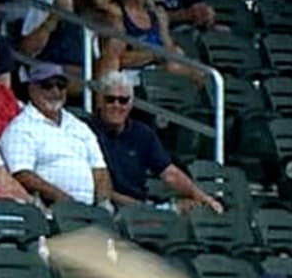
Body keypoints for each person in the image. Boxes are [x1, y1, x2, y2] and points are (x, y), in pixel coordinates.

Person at [87, 73, 217, 209]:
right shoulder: (86, 131)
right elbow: (93, 185)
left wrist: (203, 198)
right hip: (103, 208)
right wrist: (140, 207)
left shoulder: (142, 133)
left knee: (194, 207)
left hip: (140, 207)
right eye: (110, 99)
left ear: (130, 104)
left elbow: (170, 174)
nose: (116, 105)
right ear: (100, 101)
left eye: (123, 100)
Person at [0, 61, 109, 206]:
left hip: (89, 209)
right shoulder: (20, 128)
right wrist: (66, 201)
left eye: (61, 86)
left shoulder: (80, 126)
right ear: (31, 89)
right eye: (47, 86)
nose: (56, 91)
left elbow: (100, 170)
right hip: (49, 209)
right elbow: (22, 174)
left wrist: (103, 204)